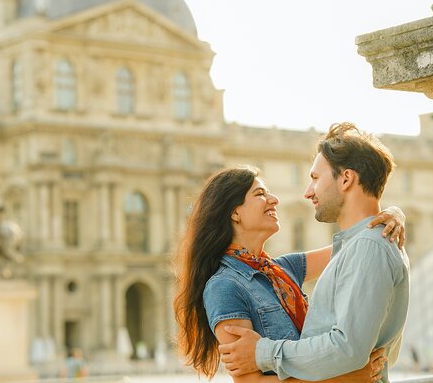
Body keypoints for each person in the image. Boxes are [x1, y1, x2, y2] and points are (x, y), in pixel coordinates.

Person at [174, 161, 406, 382]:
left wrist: (394, 214)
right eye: (260, 194)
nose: (274, 200)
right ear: (234, 213)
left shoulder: (282, 270)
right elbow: (250, 382)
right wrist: (346, 379)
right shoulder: (223, 287)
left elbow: (354, 244)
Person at [218, 123, 410, 383]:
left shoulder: (369, 246)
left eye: (315, 178)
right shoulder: (357, 246)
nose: (308, 192)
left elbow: (347, 349)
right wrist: (393, 212)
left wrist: (262, 351)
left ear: (346, 178)